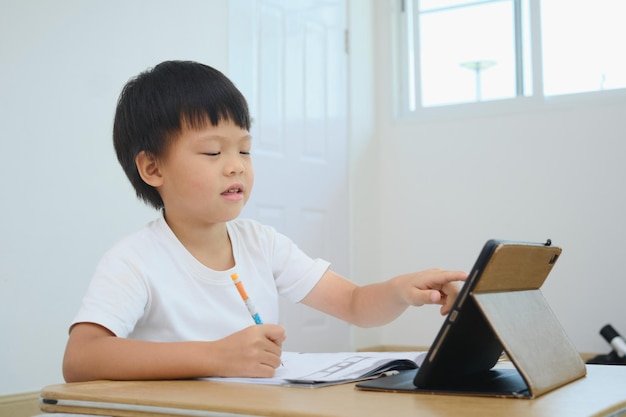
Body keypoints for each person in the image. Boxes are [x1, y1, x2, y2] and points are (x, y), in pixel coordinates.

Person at [62, 60, 467, 383]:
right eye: (212, 153)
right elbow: (81, 357)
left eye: (245, 150)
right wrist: (216, 356)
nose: (236, 167)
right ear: (152, 168)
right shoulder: (135, 259)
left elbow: (354, 305)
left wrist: (400, 291)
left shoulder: (261, 242)